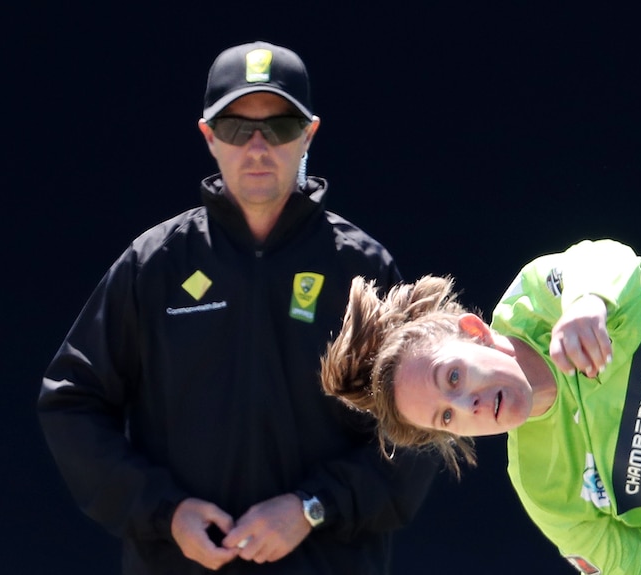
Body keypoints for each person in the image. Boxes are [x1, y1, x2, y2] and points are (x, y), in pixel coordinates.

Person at [37, 40, 437, 575]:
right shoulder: (154, 264)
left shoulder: (360, 268)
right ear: (207, 137)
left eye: (278, 126)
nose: (257, 146)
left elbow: (422, 424)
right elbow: (71, 400)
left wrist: (311, 508)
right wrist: (167, 511)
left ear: (309, 135)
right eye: (234, 127)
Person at [321, 238, 641, 575]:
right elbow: (632, 568)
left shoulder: (540, 297)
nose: (468, 404)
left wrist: (587, 303)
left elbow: (599, 260)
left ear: (473, 331)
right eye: (447, 416)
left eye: (452, 376)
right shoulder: (543, 488)